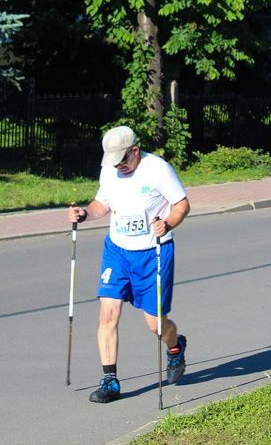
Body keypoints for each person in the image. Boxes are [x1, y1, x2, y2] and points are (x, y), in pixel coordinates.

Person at [68, 125, 191, 403]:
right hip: (117, 251)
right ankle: (110, 380)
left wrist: (168, 222)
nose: (119, 166)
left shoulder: (158, 170)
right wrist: (86, 213)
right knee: (108, 312)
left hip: (152, 252)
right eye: (113, 162)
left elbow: (182, 204)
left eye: (123, 160)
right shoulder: (111, 170)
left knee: (155, 325)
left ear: (135, 151)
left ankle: (176, 347)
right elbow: (103, 203)